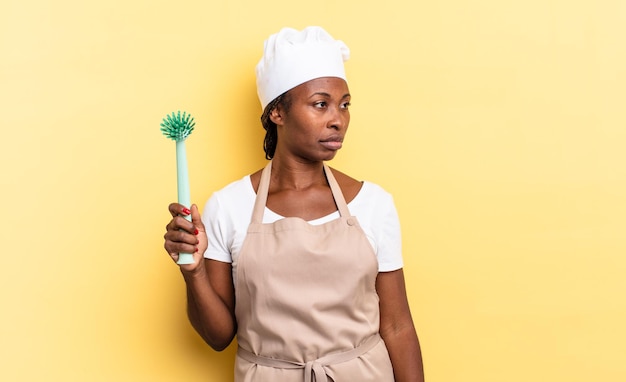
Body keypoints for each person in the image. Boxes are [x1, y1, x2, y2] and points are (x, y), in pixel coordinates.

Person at [163, 26, 425, 382]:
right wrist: (193, 273)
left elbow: (397, 327)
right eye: (321, 104)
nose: (338, 119)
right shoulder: (228, 206)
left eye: (344, 105)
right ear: (278, 113)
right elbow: (219, 337)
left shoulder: (373, 204)